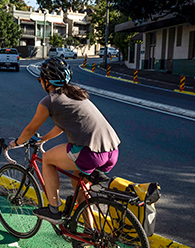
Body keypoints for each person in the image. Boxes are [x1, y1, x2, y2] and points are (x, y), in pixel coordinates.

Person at [9, 57, 121, 224]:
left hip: (89, 152)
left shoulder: (50, 100)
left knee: (47, 160)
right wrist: (43, 140)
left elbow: (30, 129)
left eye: (40, 79)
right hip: (112, 151)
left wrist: (16, 143)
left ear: (46, 81)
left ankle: (53, 209)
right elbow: (62, 125)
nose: (40, 82)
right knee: (79, 185)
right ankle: (91, 232)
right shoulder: (77, 93)